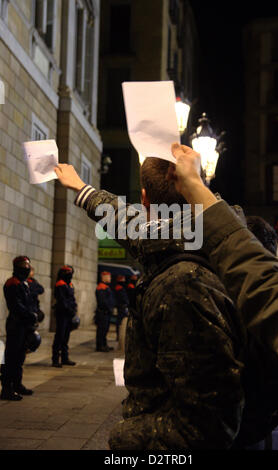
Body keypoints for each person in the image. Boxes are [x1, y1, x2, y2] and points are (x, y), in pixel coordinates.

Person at [54, 161, 257, 450]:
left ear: (145, 199)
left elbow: (206, 426)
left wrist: (127, 437)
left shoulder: (182, 285)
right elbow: (126, 221)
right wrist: (83, 189)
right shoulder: (201, 237)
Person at [0, 256, 38, 400]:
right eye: (23, 265)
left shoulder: (24, 283)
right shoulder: (12, 283)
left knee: (20, 356)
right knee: (12, 357)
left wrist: (35, 314)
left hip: (25, 324)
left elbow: (30, 301)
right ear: (16, 266)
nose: (26, 267)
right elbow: (16, 305)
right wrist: (30, 315)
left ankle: (17, 384)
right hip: (16, 324)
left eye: (28, 264)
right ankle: (6, 389)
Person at [52, 265, 77, 368]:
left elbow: (72, 298)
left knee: (66, 337)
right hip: (62, 313)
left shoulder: (70, 284)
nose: (69, 274)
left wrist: (74, 308)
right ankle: (55, 359)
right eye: (67, 272)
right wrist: (69, 309)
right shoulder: (60, 284)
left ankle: (65, 358)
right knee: (60, 336)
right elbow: (62, 300)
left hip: (69, 314)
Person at [95, 271, 115, 352]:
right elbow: (103, 301)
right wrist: (109, 308)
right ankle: (100, 346)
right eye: (109, 277)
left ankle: (104, 344)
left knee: (105, 329)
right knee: (101, 330)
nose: (110, 278)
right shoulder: (101, 287)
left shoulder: (105, 286)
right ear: (104, 277)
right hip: (103, 312)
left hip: (106, 312)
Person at [114, 275, 129, 342]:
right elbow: (123, 298)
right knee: (120, 322)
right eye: (123, 279)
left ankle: (119, 335)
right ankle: (119, 336)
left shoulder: (119, 287)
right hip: (121, 307)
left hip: (121, 306)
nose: (124, 280)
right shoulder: (119, 288)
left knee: (120, 321)